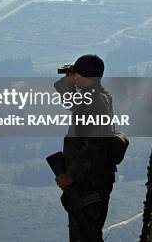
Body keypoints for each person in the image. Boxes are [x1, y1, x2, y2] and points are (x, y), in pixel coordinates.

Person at [54, 54, 116, 242]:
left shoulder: (95, 103)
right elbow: (69, 102)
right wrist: (69, 81)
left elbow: (94, 147)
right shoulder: (95, 97)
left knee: (86, 234)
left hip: (89, 184)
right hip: (88, 181)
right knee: (84, 232)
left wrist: (70, 176)